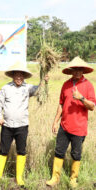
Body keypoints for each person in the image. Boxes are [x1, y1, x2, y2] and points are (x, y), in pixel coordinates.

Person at [0, 61, 48, 187]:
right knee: (3, 150)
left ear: (24, 76)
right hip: (6, 125)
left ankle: (19, 177)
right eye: (16, 75)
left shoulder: (28, 88)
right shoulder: (5, 88)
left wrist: (45, 81)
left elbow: (40, 91)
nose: (19, 78)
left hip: (22, 126)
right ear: (12, 76)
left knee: (21, 151)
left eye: (21, 75)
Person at [46, 57, 95, 188]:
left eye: (80, 69)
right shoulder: (66, 84)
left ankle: (73, 179)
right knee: (59, 151)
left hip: (79, 128)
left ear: (83, 70)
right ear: (71, 70)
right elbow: (61, 104)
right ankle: (55, 178)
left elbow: (92, 106)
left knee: (76, 154)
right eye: (75, 69)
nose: (77, 72)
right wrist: (55, 121)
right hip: (64, 126)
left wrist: (81, 98)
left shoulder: (88, 85)